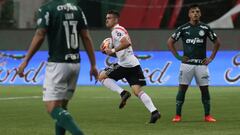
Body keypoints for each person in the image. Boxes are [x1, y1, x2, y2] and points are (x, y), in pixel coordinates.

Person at [17, 0, 98, 134]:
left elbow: (40, 35)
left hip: (58, 64)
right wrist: (93, 64)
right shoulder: (77, 9)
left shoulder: (48, 9)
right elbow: (86, 37)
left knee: (52, 108)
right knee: (62, 107)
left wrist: (25, 61)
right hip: (75, 64)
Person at [98, 10, 161, 124]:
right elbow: (123, 49)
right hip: (133, 64)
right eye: (106, 18)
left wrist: (112, 49)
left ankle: (123, 93)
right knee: (137, 91)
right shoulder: (120, 30)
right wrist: (109, 53)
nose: (107, 20)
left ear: (116, 19)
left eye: (109, 18)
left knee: (101, 77)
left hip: (125, 64)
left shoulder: (116, 30)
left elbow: (126, 43)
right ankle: (154, 112)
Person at [167, 4, 220, 122]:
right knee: (182, 89)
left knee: (205, 90)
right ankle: (177, 115)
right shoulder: (183, 28)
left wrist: (211, 58)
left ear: (200, 14)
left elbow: (217, 42)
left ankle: (207, 116)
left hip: (201, 65)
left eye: (197, 11)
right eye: (192, 12)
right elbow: (170, 42)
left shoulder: (205, 28)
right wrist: (178, 56)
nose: (195, 13)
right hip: (187, 65)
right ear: (189, 14)